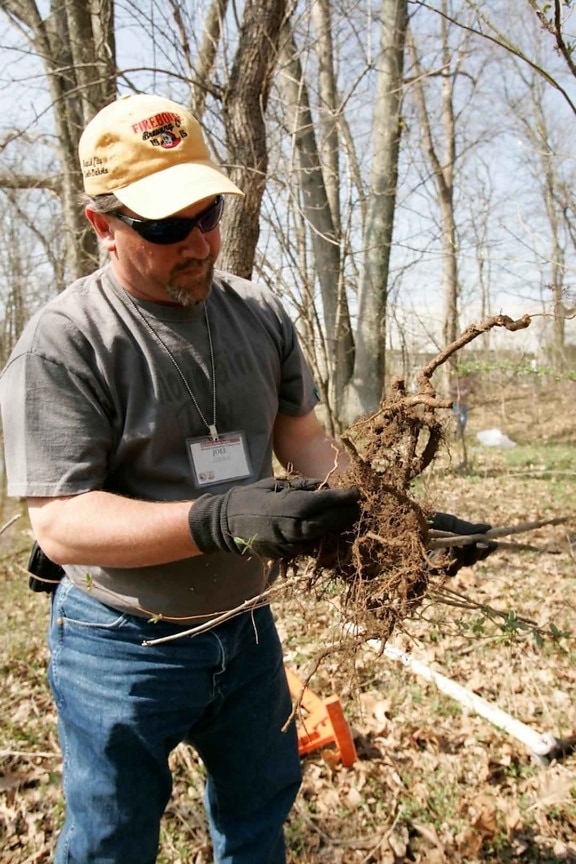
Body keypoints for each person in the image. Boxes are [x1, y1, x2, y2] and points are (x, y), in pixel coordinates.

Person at [0, 94, 495, 864]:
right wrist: (215, 517)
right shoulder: (64, 345)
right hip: (122, 641)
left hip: (247, 631)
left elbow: (305, 443)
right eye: (167, 227)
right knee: (109, 840)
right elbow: (60, 525)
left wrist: (398, 521)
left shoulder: (258, 313)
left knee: (260, 814)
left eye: (208, 216)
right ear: (103, 226)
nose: (199, 243)